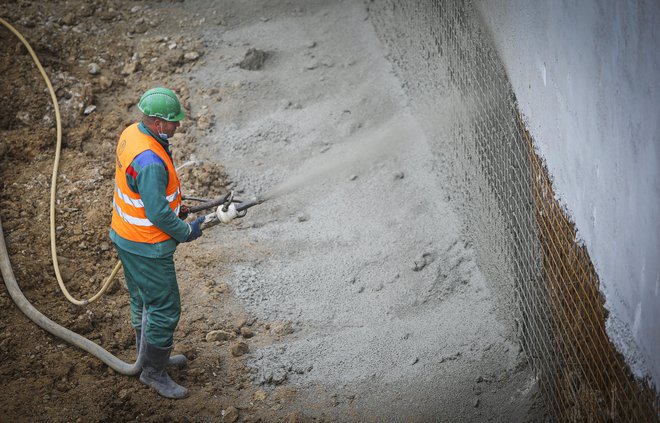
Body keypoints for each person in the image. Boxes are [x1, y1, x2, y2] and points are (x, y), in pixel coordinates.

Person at [110, 87, 239, 399]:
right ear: (157, 123)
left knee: (143, 299)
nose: (178, 126)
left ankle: (149, 357)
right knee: (165, 307)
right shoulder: (151, 161)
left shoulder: (134, 133)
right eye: (172, 122)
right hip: (147, 246)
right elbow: (156, 214)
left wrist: (175, 206)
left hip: (126, 236)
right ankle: (153, 372)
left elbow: (144, 194)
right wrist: (187, 230)